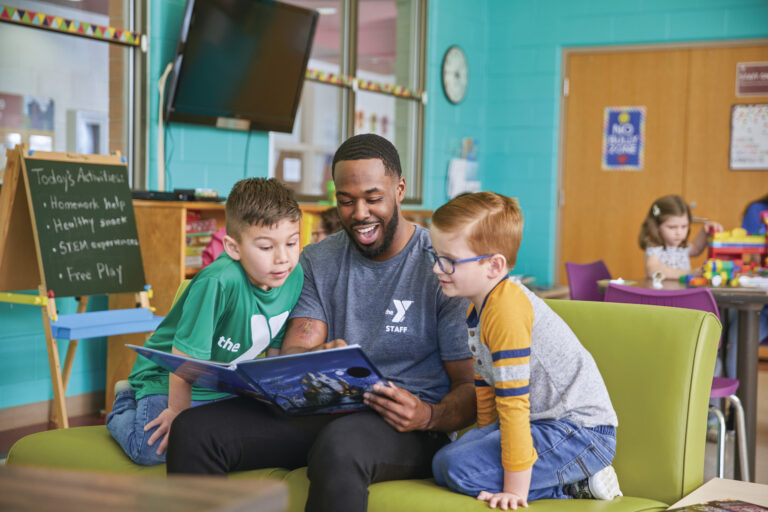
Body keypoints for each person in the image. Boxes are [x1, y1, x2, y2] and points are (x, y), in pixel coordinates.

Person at [166, 134, 475, 512]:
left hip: (409, 426)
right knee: (195, 431)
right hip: (328, 409)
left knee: (341, 444)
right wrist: (315, 359)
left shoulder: (440, 266)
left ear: (400, 190)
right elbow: (297, 346)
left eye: (373, 199)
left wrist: (428, 416)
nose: (359, 213)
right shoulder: (317, 259)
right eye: (346, 201)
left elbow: (469, 387)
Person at [429, 192, 621, 508]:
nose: (437, 268)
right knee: (443, 461)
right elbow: (487, 388)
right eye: (434, 255)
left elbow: (513, 402)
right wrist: (484, 437)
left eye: (448, 260)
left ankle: (576, 486)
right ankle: (562, 478)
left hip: (581, 434)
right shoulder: (477, 308)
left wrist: (515, 491)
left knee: (455, 468)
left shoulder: (506, 310)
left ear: (493, 265)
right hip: (539, 425)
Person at [106, 178, 304, 465]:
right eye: (266, 247)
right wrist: (177, 414)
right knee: (153, 450)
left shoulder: (292, 276)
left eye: (292, 243)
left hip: (220, 387)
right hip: (166, 379)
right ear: (233, 248)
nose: (283, 259)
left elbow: (274, 343)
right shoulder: (218, 282)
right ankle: (126, 402)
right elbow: (182, 359)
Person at [638, 194, 722, 279]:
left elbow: (696, 249)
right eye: (672, 227)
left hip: (682, 291)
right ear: (656, 226)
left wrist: (705, 231)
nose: (679, 232)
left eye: (684, 226)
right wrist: (690, 273)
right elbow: (652, 270)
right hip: (662, 292)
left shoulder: (681, 246)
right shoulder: (655, 248)